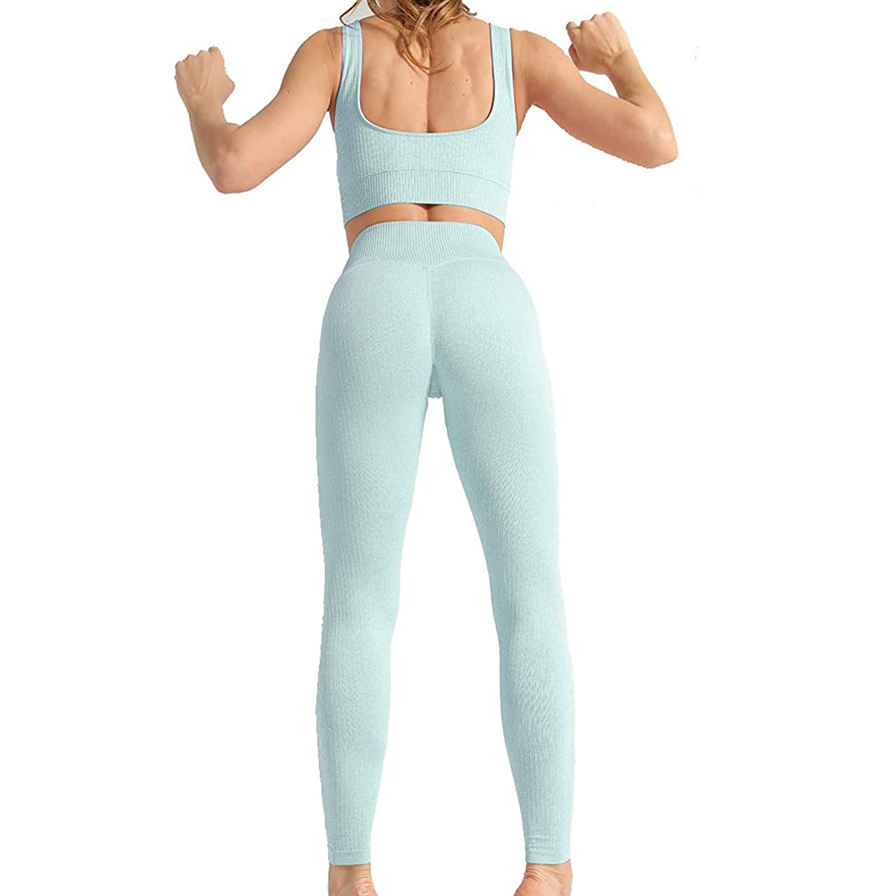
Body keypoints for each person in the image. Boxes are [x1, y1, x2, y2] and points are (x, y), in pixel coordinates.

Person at [174, 2, 676, 894]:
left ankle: (351, 875)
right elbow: (655, 141)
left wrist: (204, 101)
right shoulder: (518, 55)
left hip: (375, 296)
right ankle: (548, 868)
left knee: (359, 599)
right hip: (488, 297)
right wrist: (619, 57)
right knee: (530, 591)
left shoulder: (333, 53)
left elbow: (234, 164)